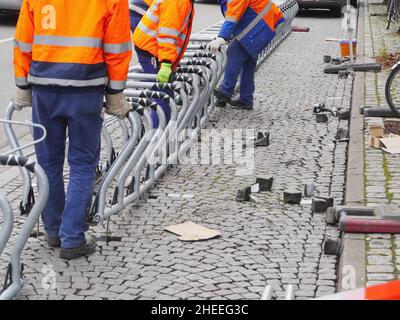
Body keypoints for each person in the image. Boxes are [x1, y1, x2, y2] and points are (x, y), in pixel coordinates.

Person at [13, 0, 132, 259]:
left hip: (45, 88)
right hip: (85, 88)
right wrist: (115, 92)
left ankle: (53, 230)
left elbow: (23, 40)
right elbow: (117, 47)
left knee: (47, 162)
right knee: (82, 163)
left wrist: (22, 85)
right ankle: (72, 238)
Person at [208, 0, 284, 110]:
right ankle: (246, 99)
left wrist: (222, 37)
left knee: (234, 51)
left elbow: (232, 17)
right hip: (264, 24)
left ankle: (226, 91)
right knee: (248, 59)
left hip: (262, 25)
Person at [133, 0, 195, 128]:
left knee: (165, 96)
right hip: (152, 50)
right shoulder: (178, 2)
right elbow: (167, 34)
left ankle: (160, 136)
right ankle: (155, 141)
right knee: (162, 97)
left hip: (154, 48)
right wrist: (166, 63)